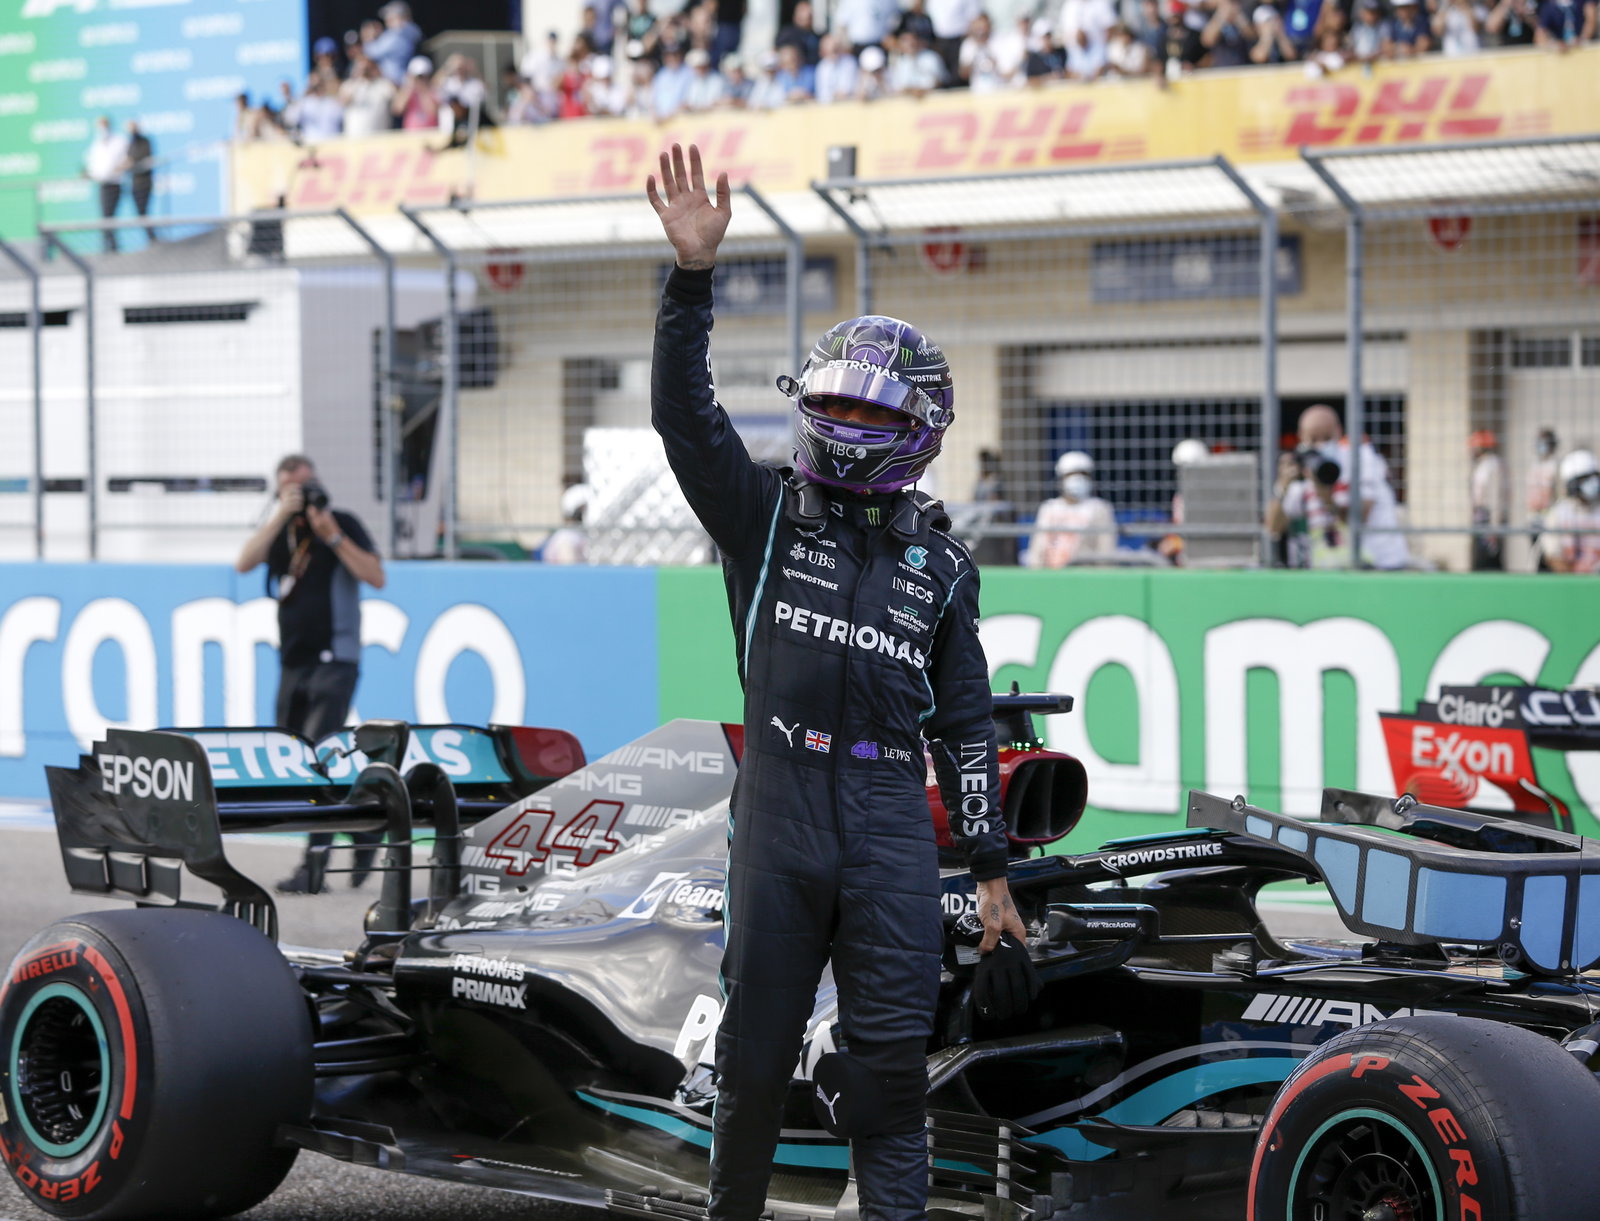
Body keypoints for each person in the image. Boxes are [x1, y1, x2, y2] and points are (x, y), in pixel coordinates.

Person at [646, 144, 1030, 1221]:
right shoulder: (759, 517)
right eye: (837, 406)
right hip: (774, 815)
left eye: (875, 413)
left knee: (890, 1080)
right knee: (755, 1067)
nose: (850, 427)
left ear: (920, 433)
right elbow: (685, 417)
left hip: (887, 828)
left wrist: (991, 870)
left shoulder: (945, 568)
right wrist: (690, 280)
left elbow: (964, 726)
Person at [236, 455, 386, 894]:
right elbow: (243, 563)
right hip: (293, 663)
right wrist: (282, 514)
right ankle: (365, 827)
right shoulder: (282, 533)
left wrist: (333, 536)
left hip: (334, 660)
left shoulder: (342, 524)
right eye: (291, 490)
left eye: (307, 487)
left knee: (321, 759)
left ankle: (314, 866)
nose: (303, 497)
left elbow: (376, 576)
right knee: (296, 759)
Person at [1277, 403, 1409, 570]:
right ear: (1301, 436)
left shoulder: (1360, 458)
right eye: (1312, 439)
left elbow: (1359, 518)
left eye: (1326, 438)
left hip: (1381, 564)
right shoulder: (1301, 466)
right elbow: (1273, 528)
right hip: (1336, 568)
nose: (1319, 445)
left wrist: (1325, 494)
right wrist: (1282, 488)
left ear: (1338, 432)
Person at [1027, 451, 1117, 567]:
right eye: (1071, 475)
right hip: (1051, 575)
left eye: (1083, 474)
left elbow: (1106, 551)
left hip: (1084, 576)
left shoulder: (1099, 509)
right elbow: (1038, 548)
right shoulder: (1049, 508)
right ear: (1061, 478)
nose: (1077, 479)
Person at [1539, 449, 1600, 574]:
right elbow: (1552, 555)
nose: (1593, 483)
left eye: (1595, 477)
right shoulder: (1559, 512)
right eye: (1586, 479)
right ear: (1573, 483)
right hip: (1569, 582)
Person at [84, 117, 128, 252]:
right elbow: (92, 165)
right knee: (105, 216)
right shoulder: (96, 144)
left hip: (115, 183)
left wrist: (118, 169)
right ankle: (107, 247)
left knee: (110, 216)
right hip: (103, 184)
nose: (101, 129)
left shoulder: (119, 141)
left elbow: (126, 160)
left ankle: (113, 247)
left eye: (103, 125)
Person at [1468, 429, 1506, 571]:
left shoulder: (1493, 465)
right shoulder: (1481, 465)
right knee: (1481, 558)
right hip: (1480, 516)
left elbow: (1496, 497)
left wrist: (1494, 526)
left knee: (1490, 559)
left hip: (1489, 517)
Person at [1527, 426, 1560, 568]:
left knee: (1547, 554)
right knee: (1534, 554)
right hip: (1534, 516)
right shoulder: (1534, 465)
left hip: (1549, 517)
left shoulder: (1557, 465)